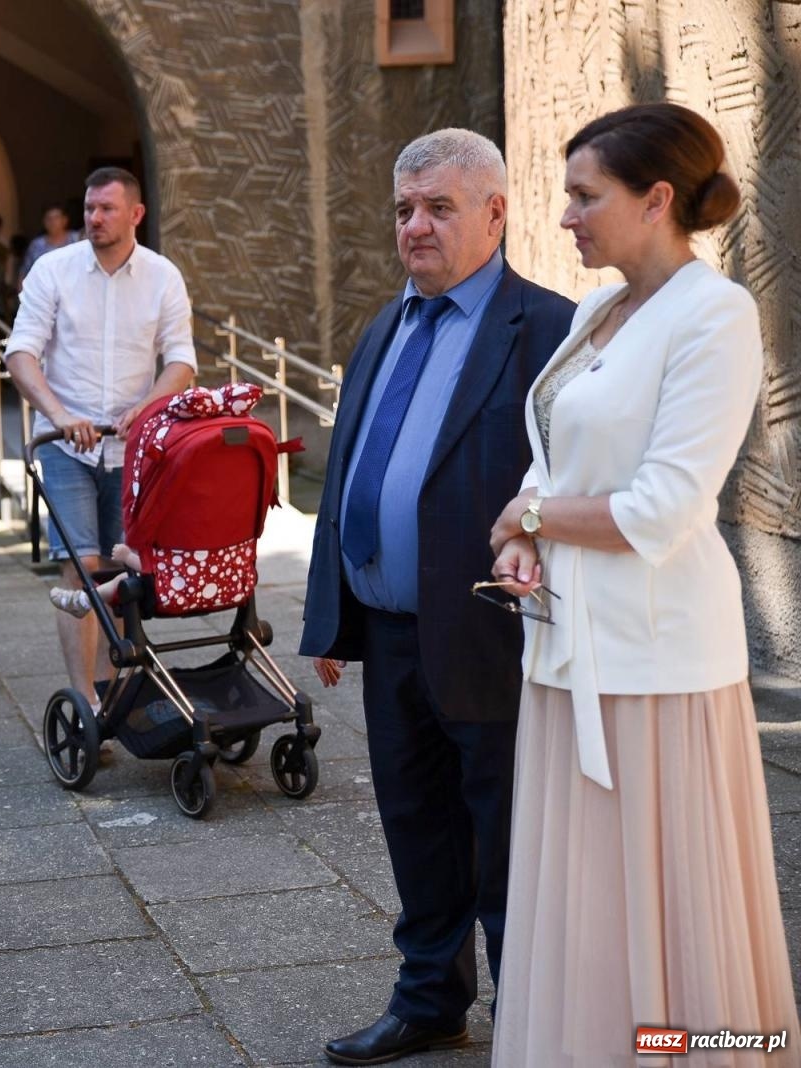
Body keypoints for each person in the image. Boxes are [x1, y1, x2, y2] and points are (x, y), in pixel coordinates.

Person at [487, 103, 800, 1067]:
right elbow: (559, 453)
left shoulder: (716, 314)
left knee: (671, 897)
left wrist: (525, 519)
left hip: (657, 663)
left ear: (657, 199)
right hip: (567, 642)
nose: (568, 216)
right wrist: (526, 528)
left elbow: (664, 507)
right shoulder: (595, 311)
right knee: (581, 899)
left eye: (587, 196)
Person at [298, 129, 575, 1066]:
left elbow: (571, 476)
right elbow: (350, 479)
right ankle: (430, 1001)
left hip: (491, 632)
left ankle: (533, 1022)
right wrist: (333, 612)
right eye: (404, 210)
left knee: (505, 839)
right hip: (391, 631)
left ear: (496, 213)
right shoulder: (384, 324)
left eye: (439, 208)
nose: (415, 226)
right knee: (417, 827)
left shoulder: (549, 330)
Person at [3, 166, 196, 703]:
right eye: (89, 208)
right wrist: (60, 414)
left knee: (123, 567)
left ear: (136, 214)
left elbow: (181, 361)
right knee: (82, 566)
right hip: (66, 446)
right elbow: (21, 353)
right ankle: (86, 698)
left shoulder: (163, 277)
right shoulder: (52, 270)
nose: (94, 218)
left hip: (133, 448)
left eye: (107, 208)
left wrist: (149, 406)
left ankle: (118, 690)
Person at [19, 203, 80, 283]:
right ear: (43, 222)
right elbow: (25, 272)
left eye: (56, 218)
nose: (52, 222)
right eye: (48, 218)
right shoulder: (36, 245)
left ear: (65, 220)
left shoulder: (77, 239)